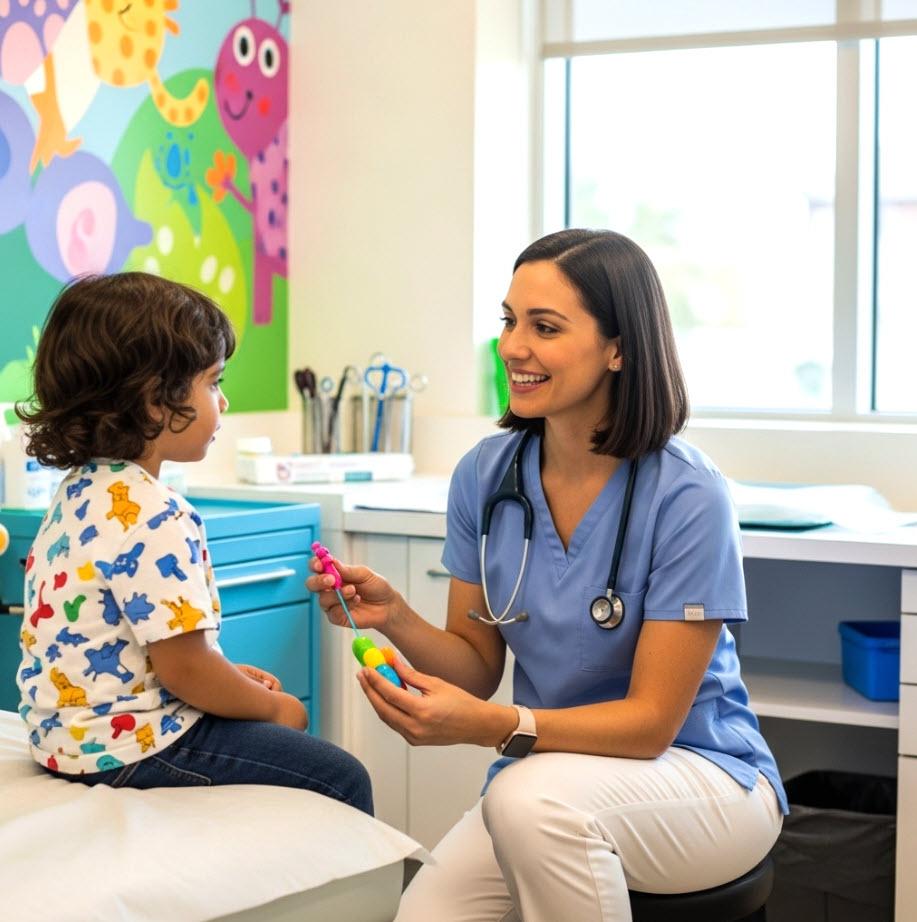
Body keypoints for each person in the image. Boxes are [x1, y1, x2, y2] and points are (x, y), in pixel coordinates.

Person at [308, 229, 787, 920]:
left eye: (544, 326)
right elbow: (475, 667)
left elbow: (651, 724)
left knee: (525, 800)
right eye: (508, 321)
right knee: (424, 913)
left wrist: (493, 726)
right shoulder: (486, 474)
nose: (511, 346)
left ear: (618, 348)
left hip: (702, 779)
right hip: (546, 782)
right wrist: (394, 618)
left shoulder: (686, 495)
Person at [15, 272, 372, 813]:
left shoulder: (77, 493)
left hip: (66, 743)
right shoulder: (156, 512)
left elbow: (145, 647)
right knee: (340, 775)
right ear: (155, 401)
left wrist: (228, 677)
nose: (223, 403)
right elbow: (185, 670)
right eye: (212, 383)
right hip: (135, 747)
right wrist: (273, 712)